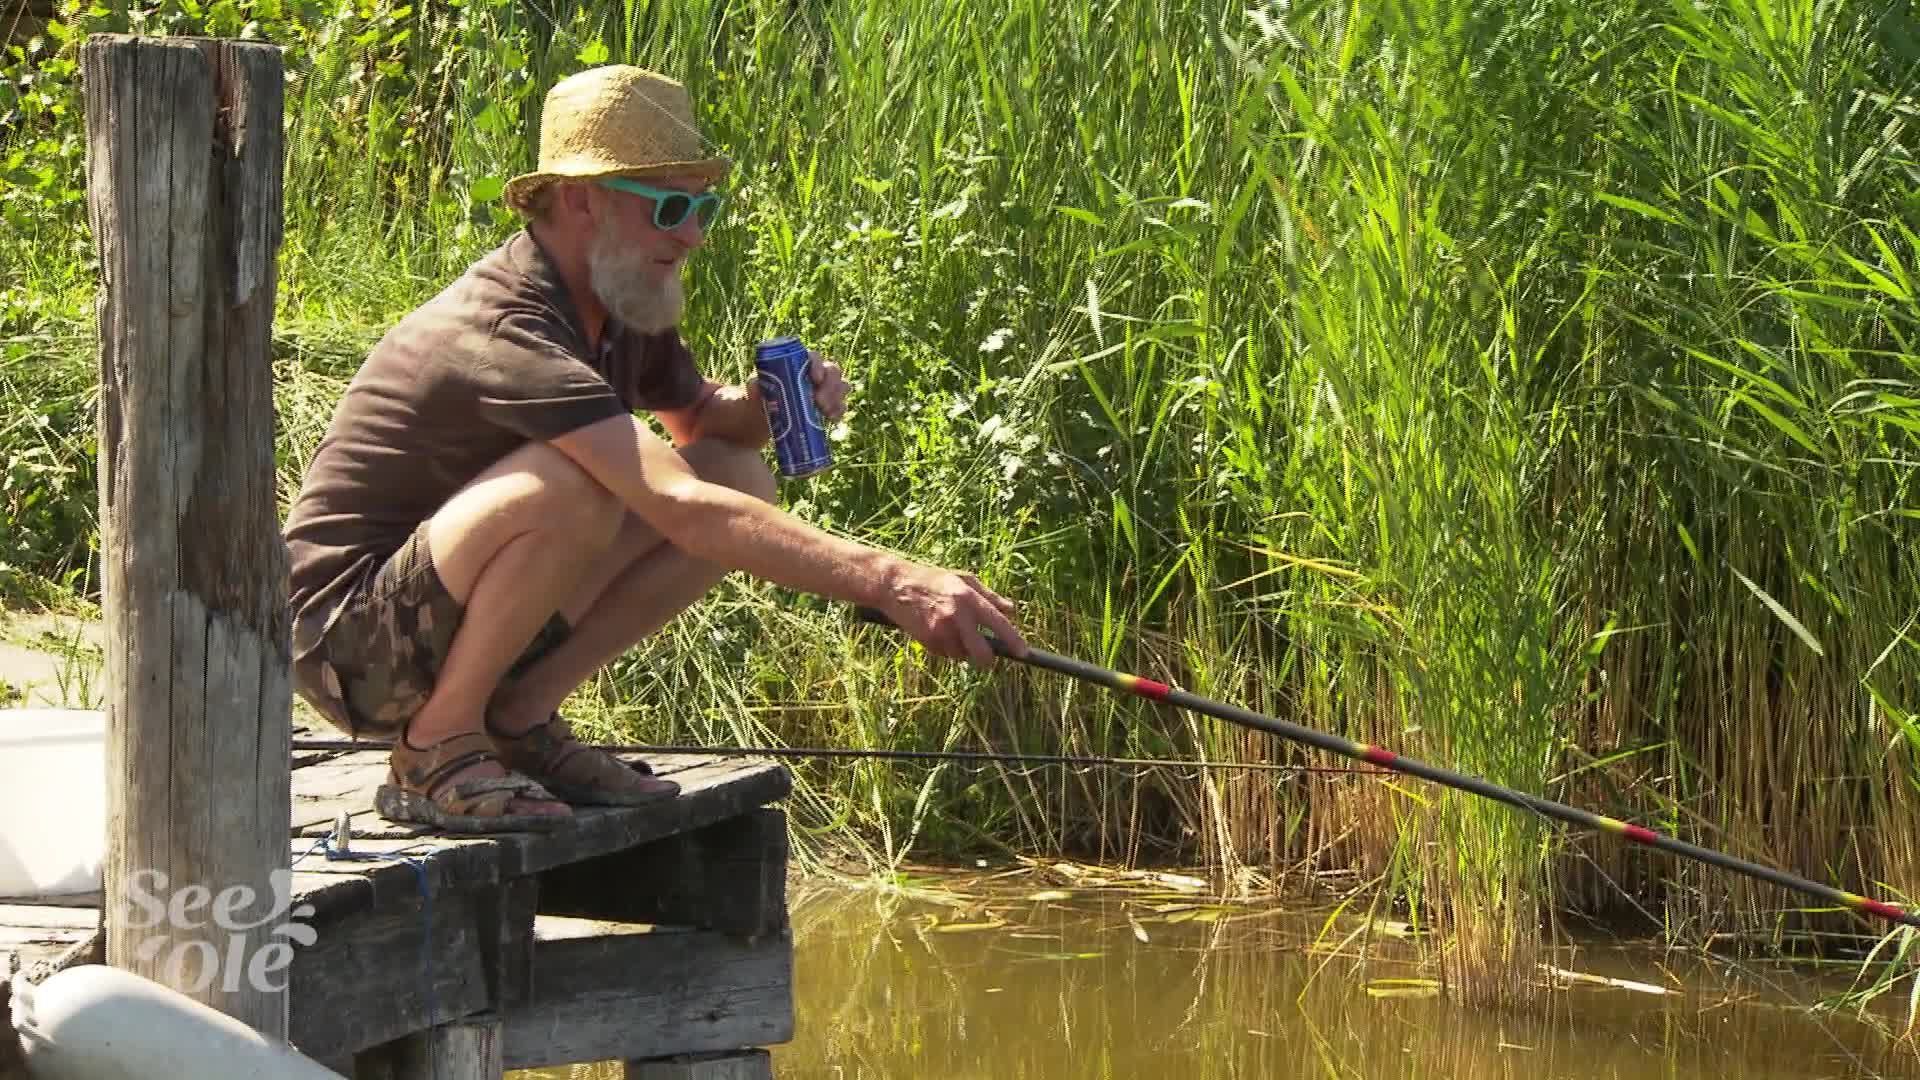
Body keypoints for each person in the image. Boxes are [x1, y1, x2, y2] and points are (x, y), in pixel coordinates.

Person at [282, 64, 1029, 833]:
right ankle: (435, 744)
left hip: (440, 608)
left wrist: (773, 404)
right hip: (348, 644)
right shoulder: (507, 327)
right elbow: (675, 504)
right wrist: (893, 581)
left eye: (703, 205)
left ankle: (518, 718)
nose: (693, 233)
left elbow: (701, 429)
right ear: (581, 199)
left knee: (735, 476)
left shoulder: (618, 298)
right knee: (573, 486)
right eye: (671, 206)